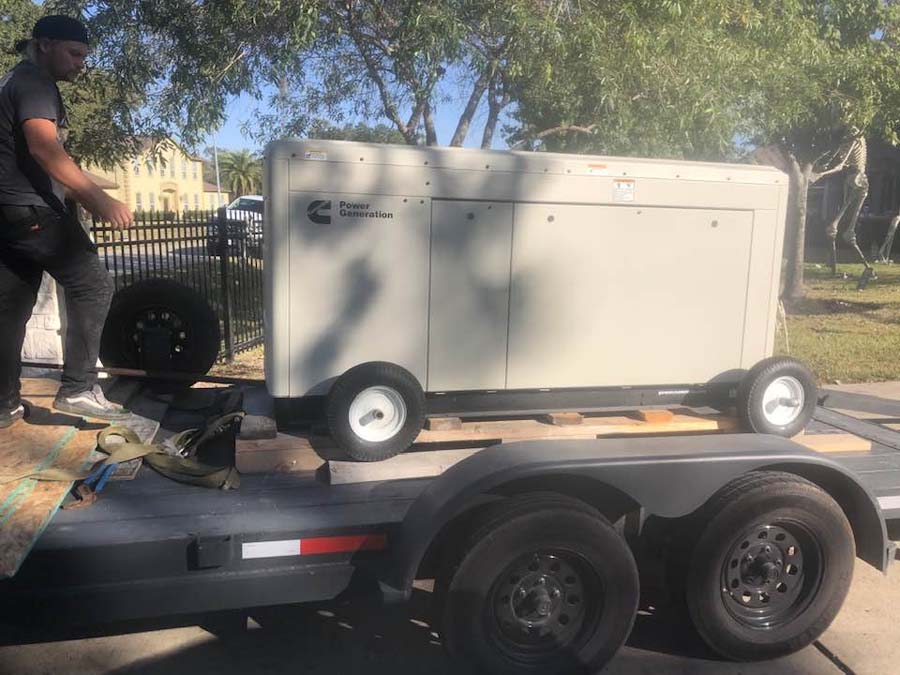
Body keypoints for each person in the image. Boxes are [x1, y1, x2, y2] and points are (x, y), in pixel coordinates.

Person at [0, 15, 134, 428]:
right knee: (92, 285)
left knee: (9, 309)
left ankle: (4, 403)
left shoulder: (13, 80)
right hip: (32, 210)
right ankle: (77, 388)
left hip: (8, 213)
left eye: (84, 56)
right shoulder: (35, 83)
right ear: (44, 44)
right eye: (75, 53)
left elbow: (35, 156)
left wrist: (81, 186)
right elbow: (43, 148)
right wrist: (98, 200)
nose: (81, 64)